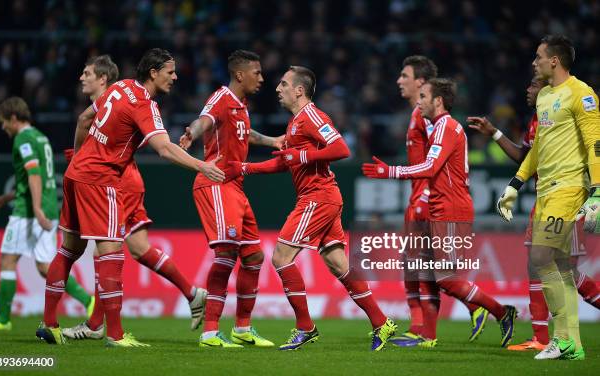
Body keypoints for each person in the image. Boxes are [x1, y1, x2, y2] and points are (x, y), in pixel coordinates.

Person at [35, 48, 224, 347]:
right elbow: (163, 148)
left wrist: (78, 157)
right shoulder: (145, 106)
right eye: (170, 72)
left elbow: (85, 119)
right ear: (153, 72)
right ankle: (115, 334)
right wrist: (202, 165)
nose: (175, 77)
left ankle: (50, 324)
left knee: (69, 251)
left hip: (76, 174)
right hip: (102, 180)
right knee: (112, 255)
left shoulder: (120, 86)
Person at [226, 66, 397, 351]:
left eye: (283, 84)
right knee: (338, 263)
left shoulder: (312, 116)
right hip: (322, 196)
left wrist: (302, 154)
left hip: (318, 197)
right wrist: (245, 168)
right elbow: (286, 161)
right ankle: (381, 322)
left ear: (299, 90)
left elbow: (342, 148)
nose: (277, 89)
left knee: (281, 257)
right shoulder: (294, 123)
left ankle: (305, 326)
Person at [363, 78, 517, 348]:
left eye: (423, 96)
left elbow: (431, 167)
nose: (419, 101)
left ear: (438, 101)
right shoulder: (440, 128)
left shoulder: (446, 126)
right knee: (426, 273)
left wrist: (391, 171)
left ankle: (502, 311)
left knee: (447, 279)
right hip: (439, 206)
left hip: (452, 209)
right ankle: (428, 336)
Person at [468, 75, 599, 352]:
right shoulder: (537, 121)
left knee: (564, 271)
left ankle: (552, 339)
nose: (527, 89)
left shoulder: (566, 115)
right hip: (543, 199)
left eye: (532, 85)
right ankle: (540, 338)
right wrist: (494, 132)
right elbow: (524, 157)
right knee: (537, 266)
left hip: (566, 196)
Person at [496, 35, 599, 360]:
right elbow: (537, 149)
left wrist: (597, 191)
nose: (534, 62)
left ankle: (561, 338)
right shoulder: (544, 97)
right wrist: (516, 183)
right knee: (560, 266)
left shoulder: (581, 94)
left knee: (540, 257)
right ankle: (573, 345)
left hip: (569, 189)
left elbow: (596, 143)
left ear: (554, 60)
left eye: (538, 57)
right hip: (546, 191)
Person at [179, 50, 281, 348]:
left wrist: (272, 140)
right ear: (240, 74)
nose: (262, 79)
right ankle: (210, 332)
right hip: (216, 182)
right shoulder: (222, 97)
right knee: (226, 254)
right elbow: (205, 119)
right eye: (257, 73)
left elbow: (244, 133)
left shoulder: (240, 105)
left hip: (236, 187)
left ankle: (243, 328)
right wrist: (192, 133)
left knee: (254, 257)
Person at [391, 56, 488, 347]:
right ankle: (422, 324)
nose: (399, 80)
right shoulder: (416, 115)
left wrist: (424, 194)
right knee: (413, 262)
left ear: (421, 82)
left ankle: (426, 326)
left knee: (427, 266)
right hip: (417, 195)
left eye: (404, 75)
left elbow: (437, 158)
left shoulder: (429, 120)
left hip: (427, 197)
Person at [0, 97, 93, 331]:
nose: (3, 127)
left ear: (14, 118)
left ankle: (3, 320)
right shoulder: (40, 137)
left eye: (4, 122)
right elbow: (33, 180)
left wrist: (35, 210)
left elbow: (34, 175)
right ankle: (89, 301)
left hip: (28, 212)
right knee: (45, 266)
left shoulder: (23, 139)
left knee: (7, 260)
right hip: (48, 207)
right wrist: (4, 198)